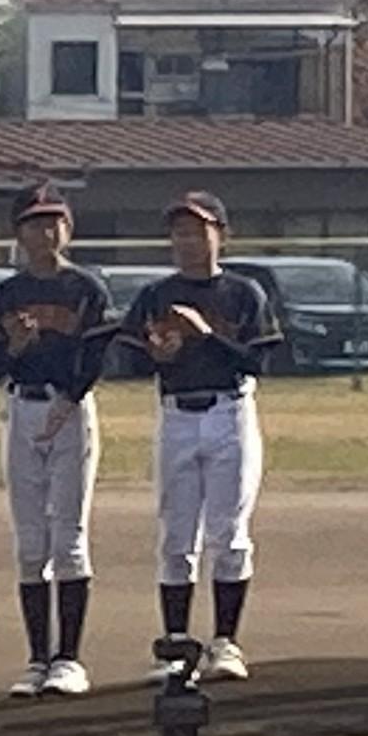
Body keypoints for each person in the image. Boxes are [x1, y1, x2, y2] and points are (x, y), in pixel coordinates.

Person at [119, 192, 283, 682]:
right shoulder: (155, 294)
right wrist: (158, 354)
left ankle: (226, 643)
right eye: (180, 232)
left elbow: (260, 361)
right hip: (176, 415)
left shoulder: (243, 292)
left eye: (199, 230)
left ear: (221, 236)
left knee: (228, 534)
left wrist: (205, 334)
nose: (188, 241)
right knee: (175, 537)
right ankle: (175, 646)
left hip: (228, 413)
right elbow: (128, 359)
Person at [0, 183, 117, 698]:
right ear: (19, 233)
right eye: (36, 222)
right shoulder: (4, 296)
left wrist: (72, 396)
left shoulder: (86, 289)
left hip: (71, 411)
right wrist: (13, 348)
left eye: (55, 220)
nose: (47, 230)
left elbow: (98, 354)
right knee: (30, 539)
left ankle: (69, 659)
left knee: (69, 536)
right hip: (21, 407)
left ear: (69, 228)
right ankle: (37, 658)